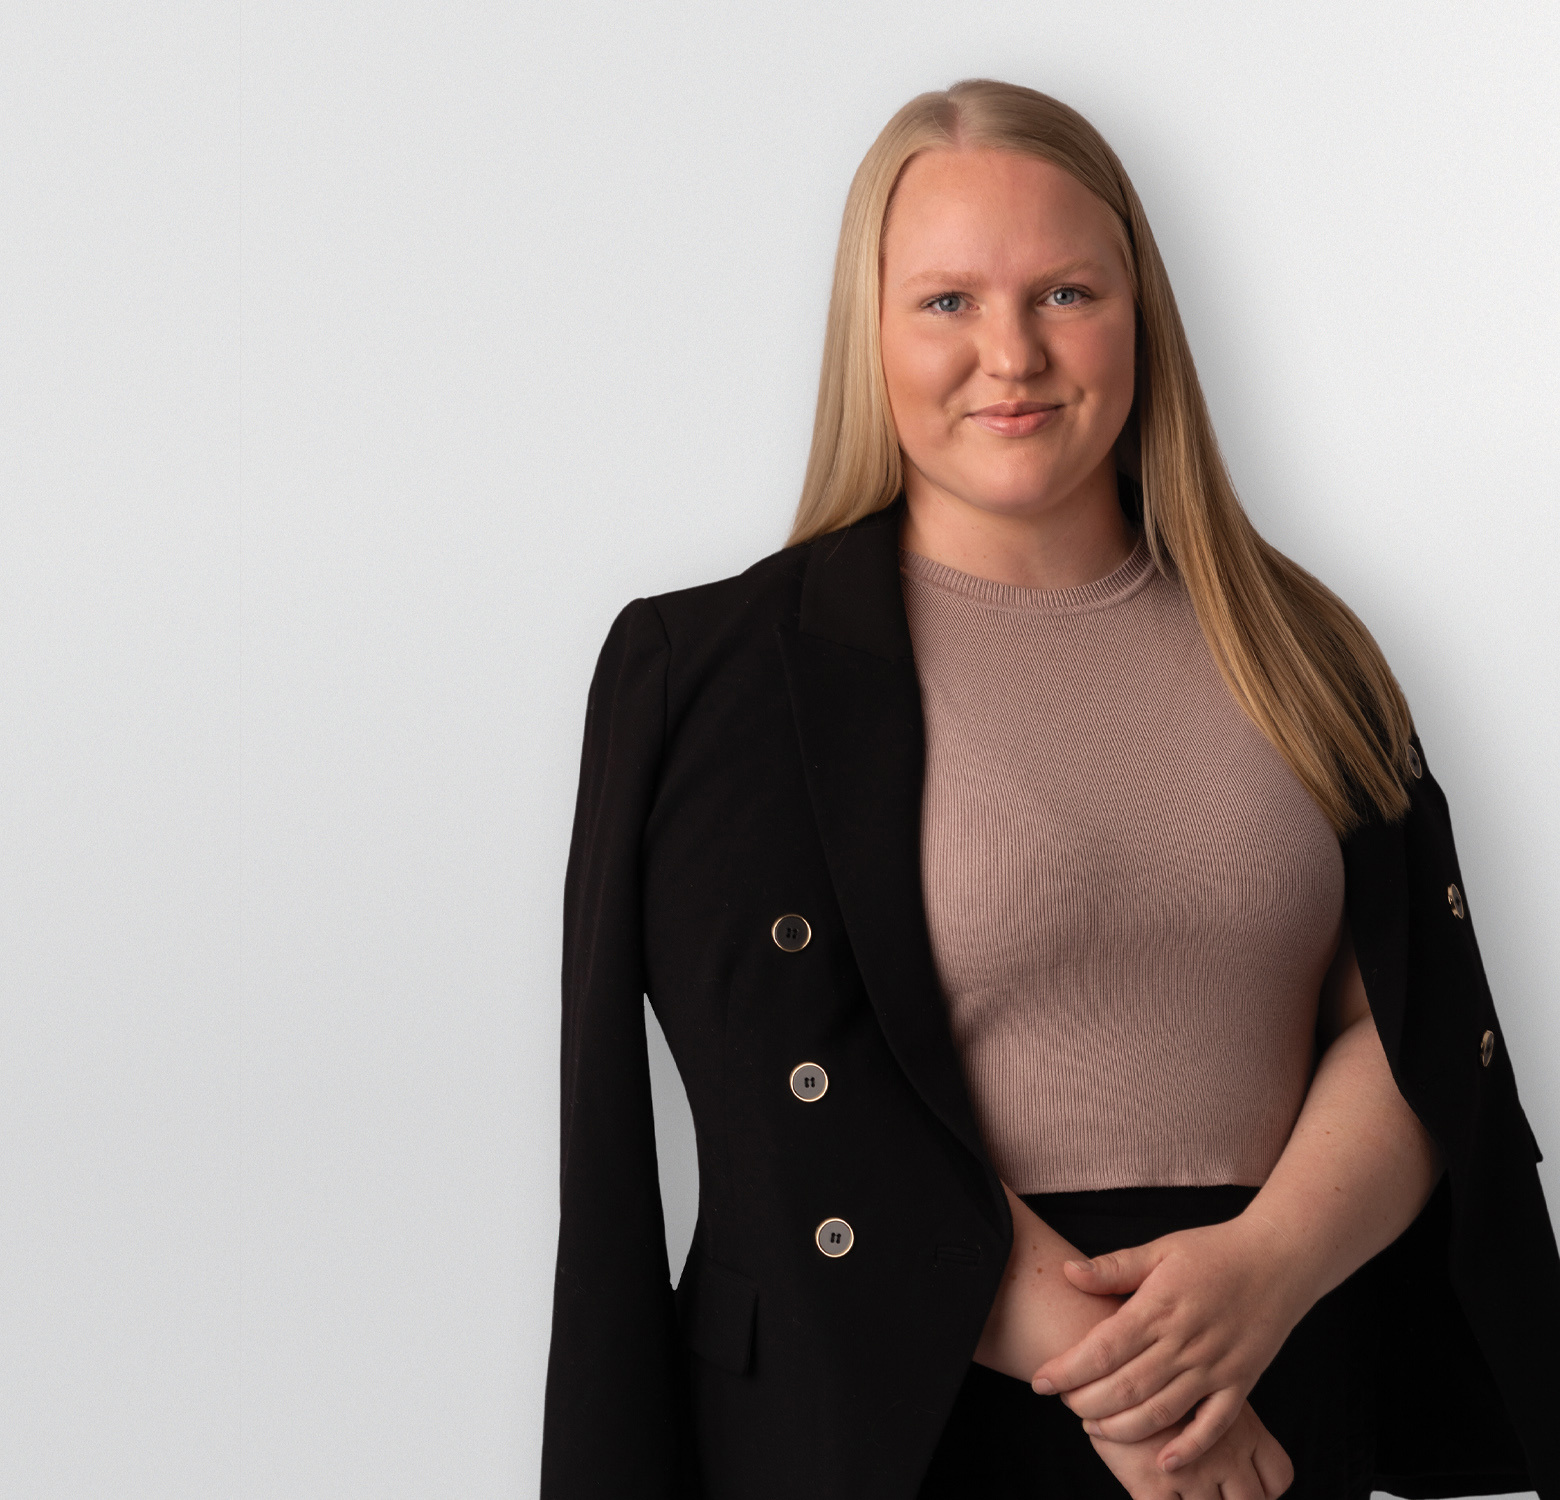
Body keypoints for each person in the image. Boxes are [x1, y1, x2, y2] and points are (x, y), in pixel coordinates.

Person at [540, 79, 1560, 1500]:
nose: (1010, 354)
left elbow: (1415, 1030)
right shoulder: (710, 670)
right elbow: (780, 1089)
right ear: (870, 332)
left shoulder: (1306, 647)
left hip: (1272, 1388)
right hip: (902, 1422)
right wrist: (1137, 1393)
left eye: (1066, 293)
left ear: (1142, 315)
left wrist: (1263, 1275)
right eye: (947, 302)